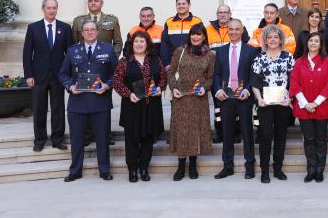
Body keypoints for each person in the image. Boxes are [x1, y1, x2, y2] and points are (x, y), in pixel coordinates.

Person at [58, 20, 117, 182]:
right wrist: (70, 87)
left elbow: (117, 74)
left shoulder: (108, 49)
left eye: (92, 29)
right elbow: (62, 74)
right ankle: (75, 170)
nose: (90, 32)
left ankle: (104, 170)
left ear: (97, 32)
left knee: (102, 138)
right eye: (86, 30)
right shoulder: (72, 51)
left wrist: (107, 85)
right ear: (81, 33)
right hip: (77, 103)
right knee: (76, 139)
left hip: (100, 102)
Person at [112, 30, 166, 182]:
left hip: (151, 104)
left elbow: (163, 78)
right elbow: (117, 82)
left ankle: (144, 168)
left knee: (148, 138)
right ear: (132, 44)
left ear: (147, 43)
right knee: (132, 139)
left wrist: (160, 89)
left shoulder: (155, 59)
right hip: (132, 105)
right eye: (136, 41)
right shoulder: (125, 61)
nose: (139, 44)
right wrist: (129, 94)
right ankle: (132, 169)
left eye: (142, 41)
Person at [72, 0, 123, 146]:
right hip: (84, 66)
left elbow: (118, 43)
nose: (93, 3)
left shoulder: (112, 20)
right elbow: (74, 43)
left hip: (104, 67)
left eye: (96, 1)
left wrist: (109, 58)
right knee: (85, 99)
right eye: (91, 1)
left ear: (102, 3)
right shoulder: (79, 21)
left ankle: (105, 134)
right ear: (88, 3)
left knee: (104, 100)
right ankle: (87, 134)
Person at [23, 0, 72, 152]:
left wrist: (69, 75)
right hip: (38, 75)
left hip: (59, 75)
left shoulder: (65, 28)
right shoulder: (33, 28)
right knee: (39, 108)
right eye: (49, 8)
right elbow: (27, 53)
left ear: (57, 9)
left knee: (58, 108)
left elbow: (69, 53)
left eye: (54, 8)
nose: (51, 11)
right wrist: (28, 74)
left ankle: (58, 139)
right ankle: (40, 139)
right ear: (43, 9)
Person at [213, 19, 259, 180]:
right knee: (227, 133)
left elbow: (254, 75)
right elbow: (217, 74)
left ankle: (249, 166)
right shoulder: (220, 51)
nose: (233, 32)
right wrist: (217, 89)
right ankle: (227, 166)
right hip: (226, 97)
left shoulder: (252, 51)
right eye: (230, 29)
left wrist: (248, 89)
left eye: (236, 29)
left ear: (242, 30)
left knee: (247, 132)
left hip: (244, 97)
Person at [167, 23, 214, 181]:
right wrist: (173, 88)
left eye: (199, 34)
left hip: (198, 99)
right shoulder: (180, 51)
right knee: (181, 131)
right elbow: (171, 72)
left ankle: (192, 165)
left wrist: (205, 88)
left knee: (195, 131)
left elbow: (210, 78)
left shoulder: (210, 55)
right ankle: (180, 166)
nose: (195, 37)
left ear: (204, 36)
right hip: (180, 97)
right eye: (193, 34)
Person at [289, 31, 328, 183]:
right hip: (304, 107)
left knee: (321, 139)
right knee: (308, 139)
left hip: (321, 107)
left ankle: (319, 170)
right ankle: (311, 168)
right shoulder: (299, 62)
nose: (313, 43)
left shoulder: (327, 62)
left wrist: (316, 103)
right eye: (311, 41)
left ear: (321, 44)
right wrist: (305, 103)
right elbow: (294, 83)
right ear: (307, 43)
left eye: (316, 41)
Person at [251, 24, 295, 183]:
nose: (273, 40)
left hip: (283, 103)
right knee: (265, 135)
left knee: (281, 136)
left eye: (276, 37)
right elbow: (254, 82)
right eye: (270, 37)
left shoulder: (288, 57)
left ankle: (278, 169)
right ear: (265, 40)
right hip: (265, 103)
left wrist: (289, 99)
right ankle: (264, 171)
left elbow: (294, 81)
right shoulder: (259, 58)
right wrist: (259, 99)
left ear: (281, 39)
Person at [205, 5, 250, 143]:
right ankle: (220, 133)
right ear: (217, 14)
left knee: (236, 108)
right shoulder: (208, 29)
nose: (223, 14)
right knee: (219, 109)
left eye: (226, 12)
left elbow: (245, 47)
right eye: (220, 12)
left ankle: (236, 134)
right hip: (219, 73)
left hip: (237, 75)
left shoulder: (237, 27)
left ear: (230, 14)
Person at [160, 0, 203, 67]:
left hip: (192, 63)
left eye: (183, 4)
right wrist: (166, 64)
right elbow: (165, 45)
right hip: (173, 63)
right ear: (176, 6)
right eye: (178, 4)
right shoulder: (169, 22)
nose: (181, 6)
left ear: (189, 5)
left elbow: (202, 43)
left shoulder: (197, 21)